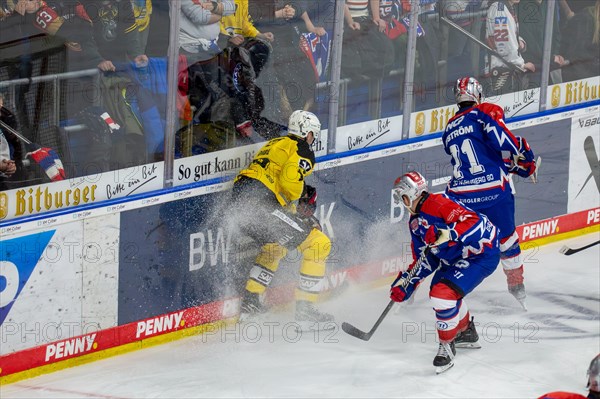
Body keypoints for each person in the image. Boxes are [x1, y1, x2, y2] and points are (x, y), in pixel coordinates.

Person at [389, 171, 500, 374]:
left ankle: (446, 346)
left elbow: (476, 223)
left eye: (401, 195)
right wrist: (408, 281)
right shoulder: (415, 222)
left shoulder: (439, 204)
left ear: (411, 194)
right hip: (456, 257)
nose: (400, 201)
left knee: (442, 294)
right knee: (444, 292)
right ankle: (466, 332)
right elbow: (426, 257)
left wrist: (450, 233)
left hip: (480, 254)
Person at [232, 110, 333, 329]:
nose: (313, 139)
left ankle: (250, 306)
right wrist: (296, 212)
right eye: (313, 134)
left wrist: (290, 215)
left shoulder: (277, 143)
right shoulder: (302, 149)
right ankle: (306, 311)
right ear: (306, 133)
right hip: (260, 205)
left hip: (241, 203)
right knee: (319, 243)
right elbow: (289, 180)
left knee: (275, 245)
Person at [442, 77, 537, 309]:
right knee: (507, 239)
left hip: (462, 196)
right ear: (478, 95)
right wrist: (524, 157)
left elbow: (478, 155)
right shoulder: (486, 110)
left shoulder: (449, 128)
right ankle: (517, 286)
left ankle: (444, 291)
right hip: (493, 191)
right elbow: (503, 142)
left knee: (456, 243)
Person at [485, 0, 535, 93]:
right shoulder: (500, 9)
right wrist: (521, 65)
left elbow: (510, 35)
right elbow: (504, 44)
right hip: (502, 69)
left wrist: (520, 41)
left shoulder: (507, 7)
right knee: (503, 105)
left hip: (506, 67)